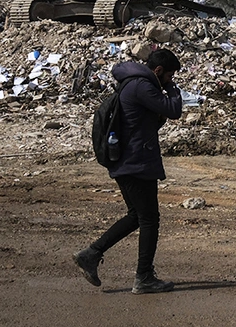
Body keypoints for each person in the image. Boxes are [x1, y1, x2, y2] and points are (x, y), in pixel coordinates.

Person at [73, 48, 183, 294]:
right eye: (169, 76)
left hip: (128, 161)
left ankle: (91, 254)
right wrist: (174, 91)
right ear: (158, 71)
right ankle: (143, 277)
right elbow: (173, 110)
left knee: (137, 215)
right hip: (136, 163)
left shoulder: (133, 84)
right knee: (149, 219)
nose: (170, 80)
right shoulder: (141, 87)